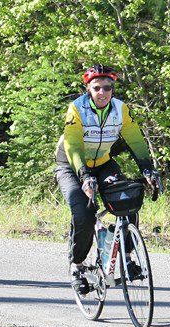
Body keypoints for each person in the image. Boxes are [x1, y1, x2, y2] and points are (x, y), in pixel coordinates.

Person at [55, 64, 159, 294]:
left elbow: (135, 140)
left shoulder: (121, 109)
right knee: (83, 214)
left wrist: (147, 169)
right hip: (72, 165)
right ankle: (78, 265)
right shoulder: (77, 108)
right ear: (88, 89)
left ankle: (129, 257)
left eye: (107, 88)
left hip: (102, 163)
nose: (102, 92)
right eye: (97, 88)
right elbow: (72, 144)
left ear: (113, 89)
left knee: (127, 199)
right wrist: (83, 177)